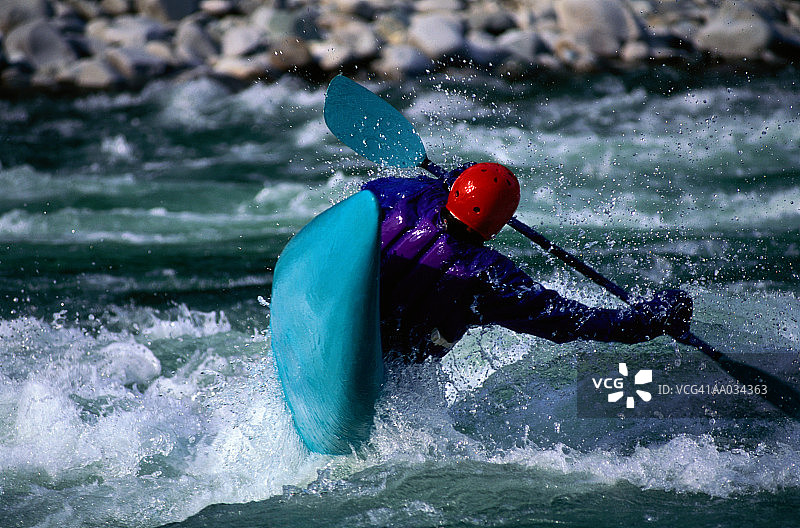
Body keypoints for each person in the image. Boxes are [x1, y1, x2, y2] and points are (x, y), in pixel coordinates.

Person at [362, 162, 693, 362]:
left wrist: (444, 183)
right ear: (497, 227)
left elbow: (367, 195)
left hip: (344, 318)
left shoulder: (402, 193)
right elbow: (572, 322)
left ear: (457, 192)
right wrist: (650, 319)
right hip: (386, 364)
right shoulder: (490, 279)